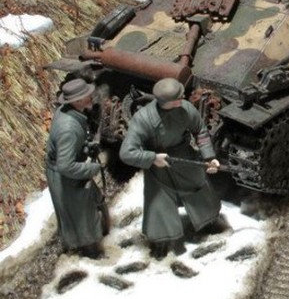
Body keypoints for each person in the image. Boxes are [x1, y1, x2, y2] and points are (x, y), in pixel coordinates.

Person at [119, 77, 224, 259]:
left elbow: (200, 130)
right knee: (159, 202)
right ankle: (162, 241)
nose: (183, 98)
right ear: (167, 101)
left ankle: (208, 222)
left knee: (199, 187)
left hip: (184, 156)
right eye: (179, 97)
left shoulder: (186, 109)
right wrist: (152, 158)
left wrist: (209, 157)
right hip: (159, 162)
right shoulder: (143, 119)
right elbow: (127, 153)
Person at [45, 78, 108, 259]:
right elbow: (66, 165)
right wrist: (91, 168)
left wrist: (86, 146)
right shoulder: (68, 129)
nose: (91, 96)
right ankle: (92, 257)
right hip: (66, 177)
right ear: (78, 101)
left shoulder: (68, 111)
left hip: (68, 171)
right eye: (87, 95)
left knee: (91, 206)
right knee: (82, 221)